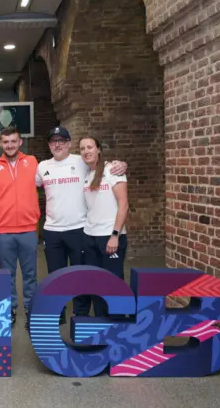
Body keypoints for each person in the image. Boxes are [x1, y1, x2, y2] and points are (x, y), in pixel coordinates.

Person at [35, 126, 126, 322]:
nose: (57, 144)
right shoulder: (41, 167)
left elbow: (105, 166)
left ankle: (82, 313)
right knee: (56, 276)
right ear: (49, 145)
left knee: (82, 276)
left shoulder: (82, 161)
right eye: (53, 141)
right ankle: (57, 314)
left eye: (62, 140)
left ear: (69, 144)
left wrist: (122, 164)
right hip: (52, 231)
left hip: (79, 229)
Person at [0, 127, 40, 330]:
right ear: (1, 144)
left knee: (30, 274)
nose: (9, 145)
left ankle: (30, 308)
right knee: (6, 274)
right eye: (5, 141)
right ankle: (10, 309)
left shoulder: (33, 162)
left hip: (28, 229)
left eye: (13, 141)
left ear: (20, 142)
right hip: (3, 230)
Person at [78, 136, 129, 317]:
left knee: (113, 284)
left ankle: (118, 326)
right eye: (82, 148)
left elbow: (123, 205)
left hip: (110, 237)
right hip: (90, 236)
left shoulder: (112, 170)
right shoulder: (87, 175)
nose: (86, 151)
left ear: (98, 149)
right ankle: (101, 323)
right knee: (95, 284)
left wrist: (115, 235)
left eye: (90, 147)